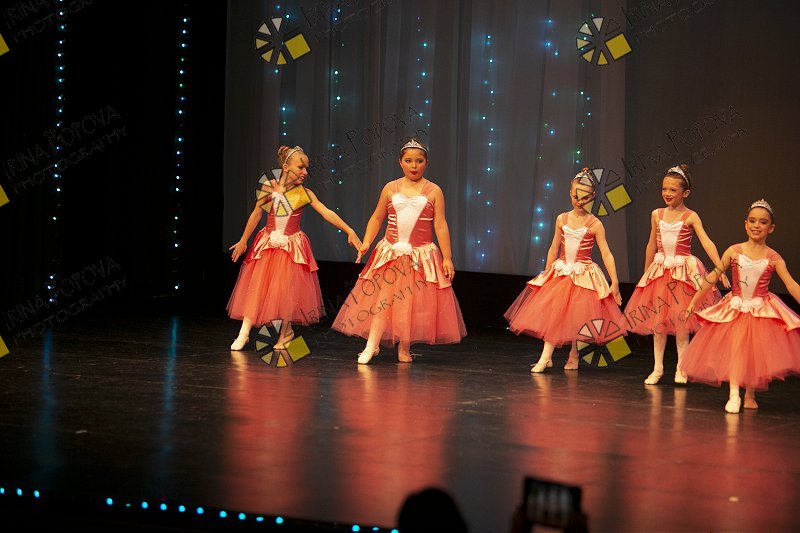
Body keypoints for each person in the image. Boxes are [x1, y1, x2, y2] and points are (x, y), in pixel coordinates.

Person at [332, 137, 466, 363]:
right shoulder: (390, 188)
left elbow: (440, 225)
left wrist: (447, 257)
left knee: (410, 304)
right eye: (409, 161)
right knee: (382, 300)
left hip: (419, 256)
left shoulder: (434, 190)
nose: (414, 166)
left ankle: (404, 347)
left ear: (426, 163)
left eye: (419, 161)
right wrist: (366, 242)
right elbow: (377, 217)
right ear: (400, 162)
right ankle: (371, 345)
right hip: (391, 255)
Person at [227, 145, 362, 351]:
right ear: (285, 167)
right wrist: (244, 240)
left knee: (286, 292)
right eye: (300, 167)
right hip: (267, 244)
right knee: (256, 287)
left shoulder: (304, 193)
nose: (305, 172)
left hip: (291, 247)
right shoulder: (269, 186)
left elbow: (326, 212)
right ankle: (244, 333)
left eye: (306, 168)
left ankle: (286, 332)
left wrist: (349, 230)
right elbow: (256, 213)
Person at [682, 199, 800, 413]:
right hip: (735, 308)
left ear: (771, 228)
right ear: (746, 224)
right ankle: (734, 394)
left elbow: (791, 285)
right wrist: (693, 300)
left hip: (760, 309)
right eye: (752, 221)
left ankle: (750, 394)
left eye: (763, 222)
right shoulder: (734, 251)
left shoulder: (774, 258)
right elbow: (712, 276)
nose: (757, 225)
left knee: (753, 353)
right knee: (736, 350)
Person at [504, 168, 625, 373]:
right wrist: (546, 272)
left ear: (592, 197)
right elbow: (553, 247)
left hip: (583, 275)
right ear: (570, 193)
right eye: (576, 196)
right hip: (561, 272)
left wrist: (615, 281)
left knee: (577, 317)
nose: (580, 201)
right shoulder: (562, 219)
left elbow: (606, 254)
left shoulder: (595, 224)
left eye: (585, 198)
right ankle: (546, 358)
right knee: (555, 316)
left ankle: (574, 355)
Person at [623, 164, 729, 385]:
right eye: (664, 189)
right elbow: (651, 245)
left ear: (685, 193)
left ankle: (682, 367)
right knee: (658, 324)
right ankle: (657, 368)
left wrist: (719, 268)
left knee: (682, 323)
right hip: (660, 271)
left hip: (683, 273)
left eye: (672, 190)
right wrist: (646, 273)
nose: (667, 193)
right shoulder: (657, 214)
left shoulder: (690, 216)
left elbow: (707, 242)